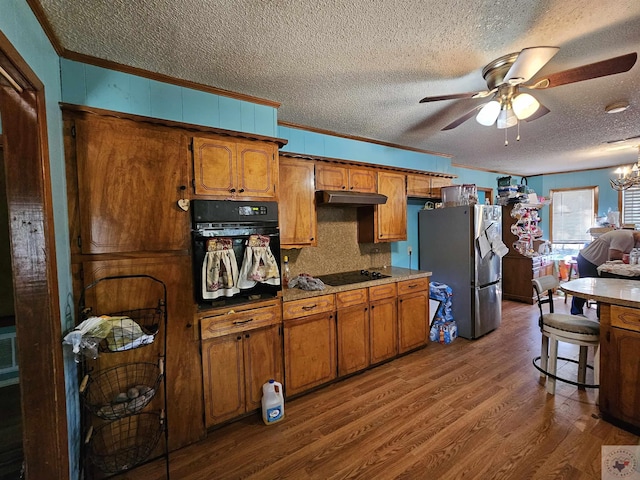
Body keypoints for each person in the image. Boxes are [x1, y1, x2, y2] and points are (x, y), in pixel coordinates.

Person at [570, 229, 640, 315]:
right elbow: (614, 254)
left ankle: (602, 314)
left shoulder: (632, 239)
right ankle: (576, 312)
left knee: (602, 288)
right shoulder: (626, 236)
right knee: (585, 285)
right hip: (589, 259)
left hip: (597, 261)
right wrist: (630, 256)